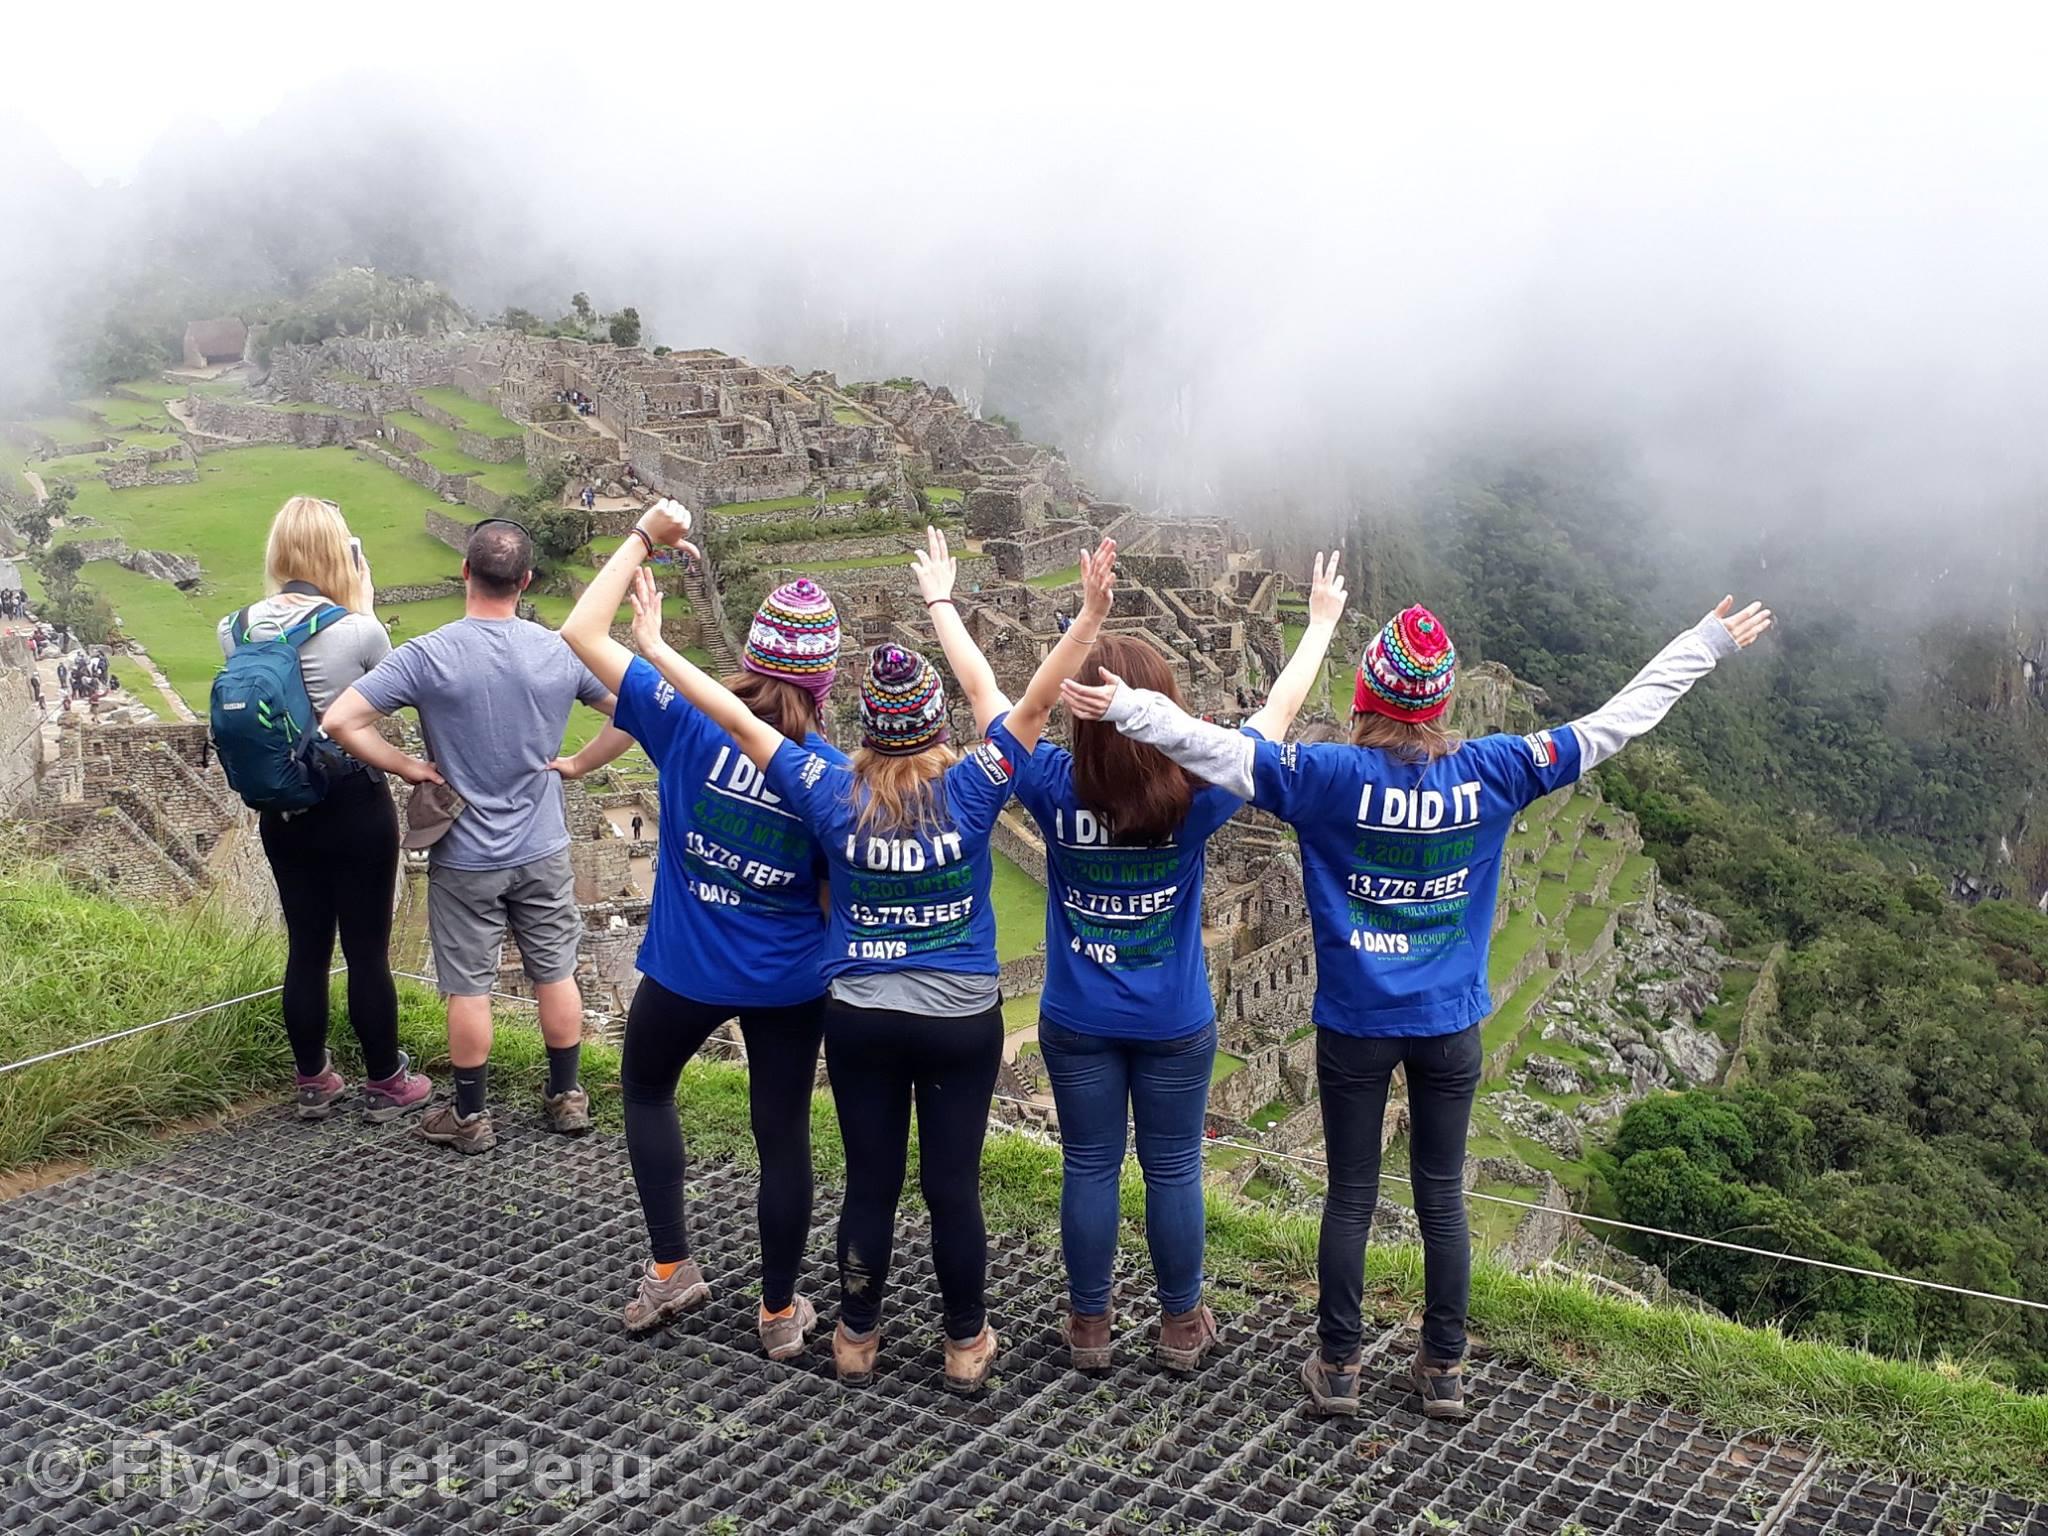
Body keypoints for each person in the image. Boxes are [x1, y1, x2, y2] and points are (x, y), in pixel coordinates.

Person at [1065, 593, 1773, 1421]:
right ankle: (1442, 1368)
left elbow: (1214, 747)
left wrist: (1127, 709)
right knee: (1441, 1197)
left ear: (1367, 696)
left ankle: (1338, 1366)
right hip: (1450, 1024)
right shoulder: (1498, 768)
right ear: (1439, 704)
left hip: (1356, 1025)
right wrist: (1706, 641)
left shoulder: (1326, 776)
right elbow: (1618, 721)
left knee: (1352, 1196)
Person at [627, 515, 1116, 1393]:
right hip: (963, 1016)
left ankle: (855, 1337)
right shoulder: (970, 787)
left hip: (860, 1016)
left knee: (871, 1186)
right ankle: (965, 1343)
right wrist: (1075, 618)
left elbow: (737, 717)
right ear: (931, 728)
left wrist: (659, 648)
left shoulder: (827, 788)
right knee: (952, 1190)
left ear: (868, 726)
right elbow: (1026, 700)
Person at [1018, 553, 1348, 1376]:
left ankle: (1089, 1326)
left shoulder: (1054, 786)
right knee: (1173, 1168)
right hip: (1172, 1020)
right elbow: (1277, 712)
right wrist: (1318, 625)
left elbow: (1009, 706)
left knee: (1089, 1164)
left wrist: (1075, 631)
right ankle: (1179, 1325)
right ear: (1160, 711)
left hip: (1075, 1017)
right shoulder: (1196, 797)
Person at [560, 509, 844, 1358]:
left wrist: (644, 538)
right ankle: (779, 1310)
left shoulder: (685, 717)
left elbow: (581, 627)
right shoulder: (826, 772)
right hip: (790, 976)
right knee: (781, 1133)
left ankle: (671, 1264)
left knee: (647, 1090)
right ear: (824, 680)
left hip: (685, 966)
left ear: (752, 656)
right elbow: (833, 894)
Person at [323, 519, 636, 1155]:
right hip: (543, 844)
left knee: (468, 985)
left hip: (464, 852)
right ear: (525, 582)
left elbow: (341, 719)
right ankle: (567, 1098)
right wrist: (578, 764)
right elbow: (635, 713)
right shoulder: (558, 652)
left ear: (465, 573)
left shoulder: (429, 653)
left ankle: (468, 1118)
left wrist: (410, 767)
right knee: (556, 971)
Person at [217, 497, 434, 1122]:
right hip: (352, 800)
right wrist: (364, 613)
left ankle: (313, 1078)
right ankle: (387, 1080)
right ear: (341, 554)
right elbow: (387, 700)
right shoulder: (359, 629)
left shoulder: (233, 629)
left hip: (282, 807)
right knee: (367, 950)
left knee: (306, 945)